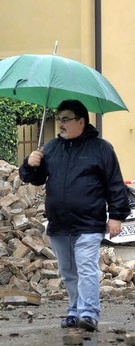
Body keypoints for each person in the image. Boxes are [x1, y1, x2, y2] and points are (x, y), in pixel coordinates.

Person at [19, 99, 130, 332]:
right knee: (69, 272)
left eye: (66, 119)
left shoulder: (101, 148)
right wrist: (30, 164)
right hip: (59, 223)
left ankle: (88, 313)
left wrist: (117, 216)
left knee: (86, 267)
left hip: (89, 223)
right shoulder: (50, 148)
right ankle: (74, 310)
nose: (60, 123)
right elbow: (34, 179)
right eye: (59, 118)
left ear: (81, 121)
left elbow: (115, 184)